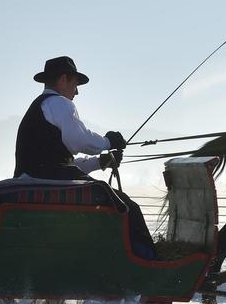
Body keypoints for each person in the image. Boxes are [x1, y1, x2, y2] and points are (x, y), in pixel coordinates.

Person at [14, 56, 156, 258]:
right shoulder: (59, 103)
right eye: (75, 84)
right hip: (47, 182)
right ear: (63, 79)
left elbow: (63, 164)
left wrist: (99, 162)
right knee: (126, 206)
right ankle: (147, 261)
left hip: (38, 178)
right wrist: (108, 141)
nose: (77, 92)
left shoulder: (41, 106)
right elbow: (80, 141)